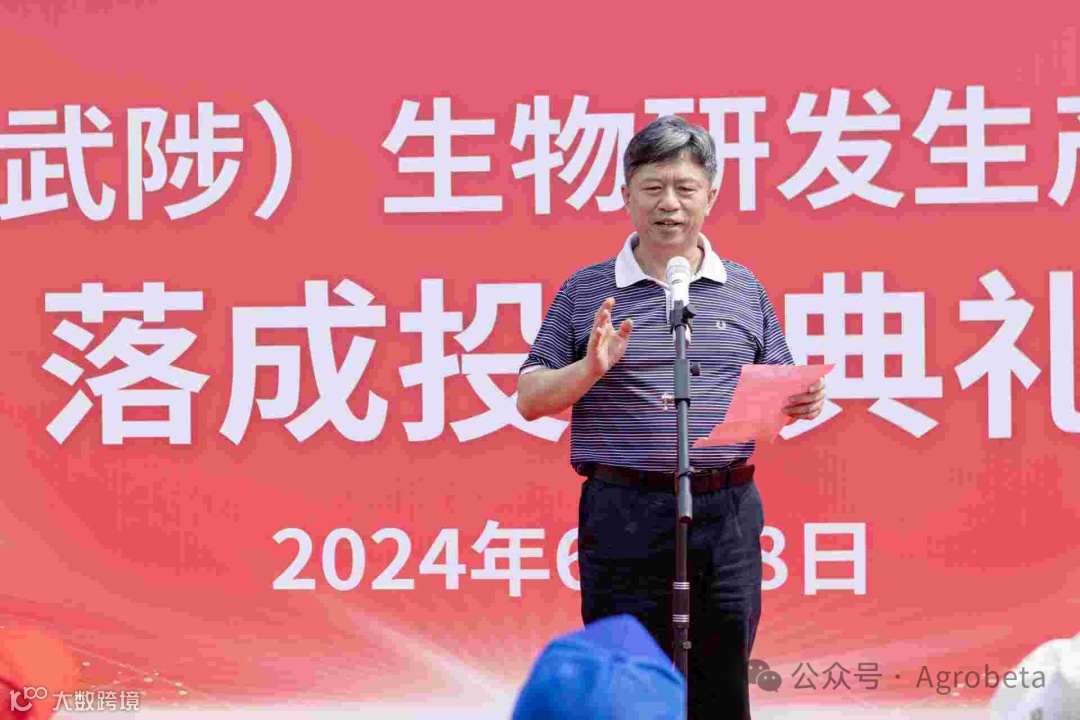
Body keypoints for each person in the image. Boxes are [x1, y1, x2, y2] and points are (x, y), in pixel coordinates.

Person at [515, 115, 826, 719]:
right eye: (653, 187)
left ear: (711, 195)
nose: (669, 204)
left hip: (726, 513)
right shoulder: (587, 291)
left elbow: (778, 382)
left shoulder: (743, 288)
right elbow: (530, 397)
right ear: (626, 194)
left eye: (685, 188)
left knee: (722, 685)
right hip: (624, 513)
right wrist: (590, 369)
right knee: (622, 688)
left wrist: (803, 400)